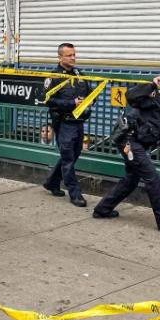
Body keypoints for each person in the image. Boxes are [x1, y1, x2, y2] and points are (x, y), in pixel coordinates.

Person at [93, 77, 160, 233]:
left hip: (138, 143)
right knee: (153, 179)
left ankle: (102, 209)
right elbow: (131, 97)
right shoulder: (157, 100)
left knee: (131, 180)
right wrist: (151, 86)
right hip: (128, 140)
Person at [42, 42, 90, 207]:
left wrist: (87, 104)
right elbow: (48, 100)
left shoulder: (79, 74)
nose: (73, 58)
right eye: (69, 55)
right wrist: (71, 103)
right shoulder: (54, 77)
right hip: (64, 123)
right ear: (60, 57)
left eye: (74, 54)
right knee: (68, 159)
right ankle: (75, 194)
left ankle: (52, 182)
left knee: (72, 155)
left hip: (79, 122)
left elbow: (90, 93)